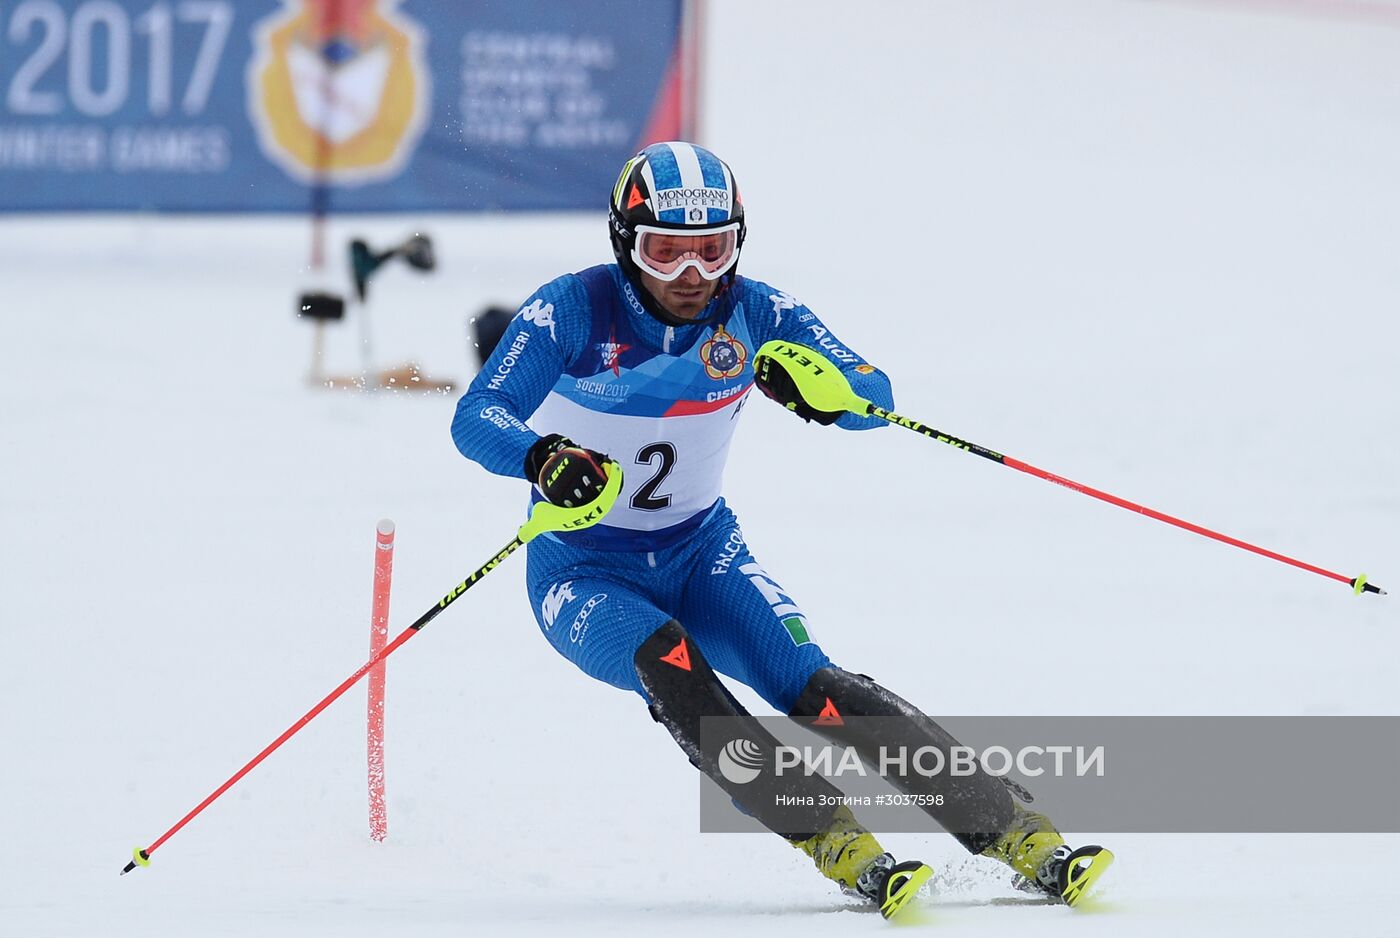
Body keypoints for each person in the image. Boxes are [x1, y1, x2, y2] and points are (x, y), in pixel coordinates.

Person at [451, 141, 1111, 918]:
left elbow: (874, 392)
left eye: (712, 251)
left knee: (819, 692)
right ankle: (834, 839)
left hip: (703, 552)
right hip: (582, 570)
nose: (690, 277)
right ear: (624, 245)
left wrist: (832, 394)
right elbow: (476, 417)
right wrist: (542, 455)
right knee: (675, 669)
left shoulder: (755, 310)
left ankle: (1019, 835)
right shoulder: (571, 308)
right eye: (665, 253)